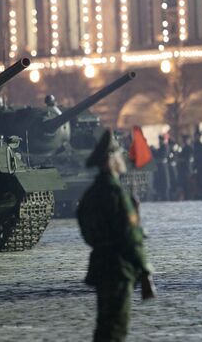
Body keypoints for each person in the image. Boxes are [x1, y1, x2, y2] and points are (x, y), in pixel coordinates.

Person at [77, 129, 154, 342]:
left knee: (104, 325)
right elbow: (131, 237)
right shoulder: (117, 194)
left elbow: (85, 230)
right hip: (119, 268)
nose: (123, 159)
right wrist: (146, 272)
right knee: (116, 329)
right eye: (119, 155)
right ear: (110, 160)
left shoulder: (91, 194)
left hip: (100, 264)